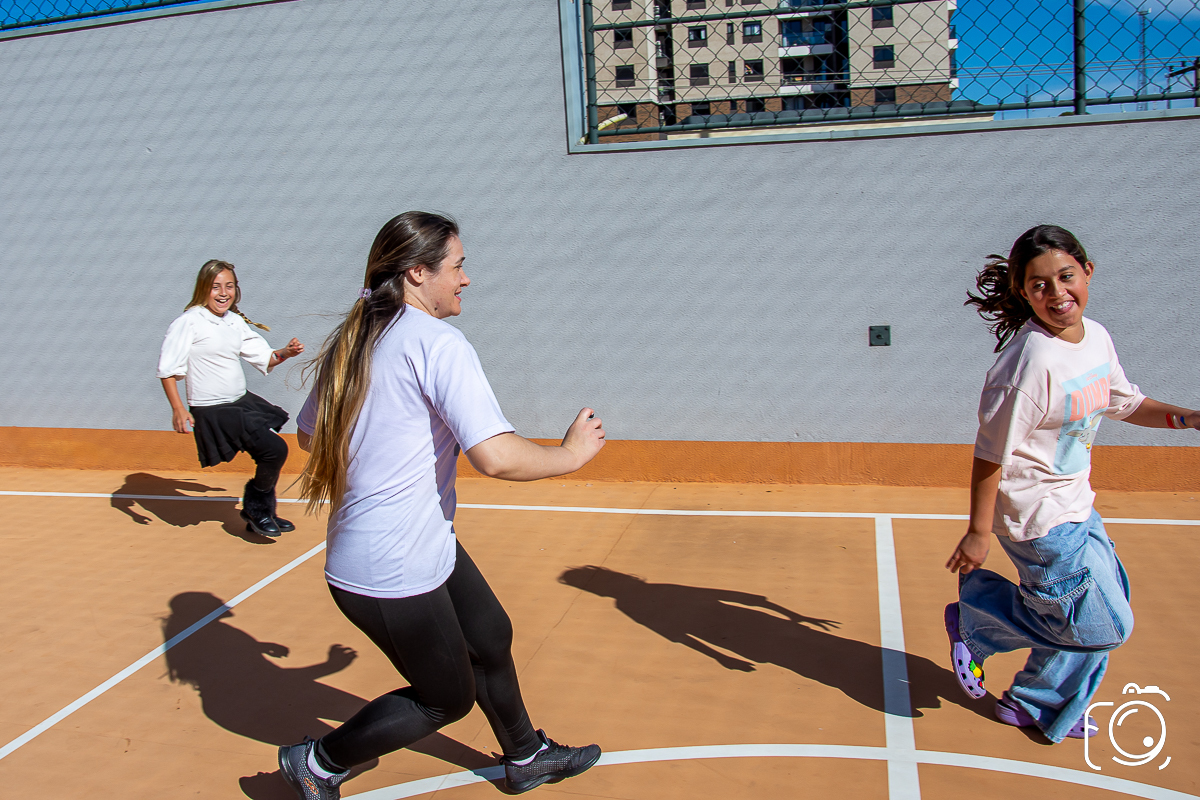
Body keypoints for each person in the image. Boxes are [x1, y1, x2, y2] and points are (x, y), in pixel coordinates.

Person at [278, 212, 606, 800]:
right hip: (390, 568)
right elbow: (496, 457)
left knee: (491, 635)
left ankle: (525, 755)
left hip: (409, 545)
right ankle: (318, 763)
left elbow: (308, 436)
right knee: (445, 697)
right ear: (416, 272)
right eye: (457, 266)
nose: (466, 279)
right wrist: (570, 456)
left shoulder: (357, 339)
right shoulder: (436, 343)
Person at [944, 224, 1198, 743]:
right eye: (1039, 285)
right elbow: (990, 452)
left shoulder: (1096, 337)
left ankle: (1033, 702)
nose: (1057, 294)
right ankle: (978, 618)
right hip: (1037, 519)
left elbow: (1125, 403)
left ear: (1087, 272)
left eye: (1065, 277)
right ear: (1023, 292)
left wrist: (1188, 418)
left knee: (1100, 608)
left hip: (1077, 503)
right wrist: (978, 531)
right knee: (1101, 625)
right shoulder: (1029, 364)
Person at [157, 260, 305, 537]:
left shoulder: (234, 322)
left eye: (229, 286)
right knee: (274, 449)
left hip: (239, 401)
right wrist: (178, 409)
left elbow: (265, 356)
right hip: (212, 408)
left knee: (270, 452)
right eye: (216, 287)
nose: (223, 293)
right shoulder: (189, 322)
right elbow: (167, 369)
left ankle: (262, 511)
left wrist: (286, 351)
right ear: (204, 288)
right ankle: (257, 509)